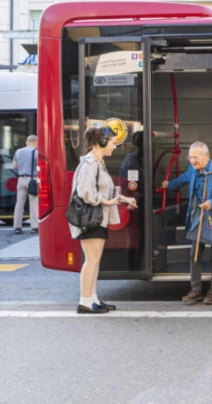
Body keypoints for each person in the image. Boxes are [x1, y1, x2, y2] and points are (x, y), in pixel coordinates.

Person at [70, 127, 137, 314]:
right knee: (91, 260)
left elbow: (104, 190)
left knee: (95, 260)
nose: (115, 146)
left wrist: (123, 199)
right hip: (90, 218)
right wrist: (107, 201)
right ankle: (84, 301)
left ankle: (93, 298)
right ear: (101, 142)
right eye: (113, 142)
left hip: (98, 217)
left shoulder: (99, 163)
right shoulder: (90, 163)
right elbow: (86, 192)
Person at [164, 142, 212, 306]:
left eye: (195, 157)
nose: (192, 161)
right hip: (198, 218)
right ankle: (196, 289)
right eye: (190, 157)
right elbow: (182, 179)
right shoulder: (192, 169)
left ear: (206, 156)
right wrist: (167, 185)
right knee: (195, 255)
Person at [12, 135, 39, 235]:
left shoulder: (18, 151)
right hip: (32, 180)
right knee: (33, 203)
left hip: (21, 179)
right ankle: (34, 227)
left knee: (19, 204)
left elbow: (14, 166)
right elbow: (39, 165)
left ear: (27, 142)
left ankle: (17, 227)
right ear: (35, 142)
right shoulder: (36, 152)